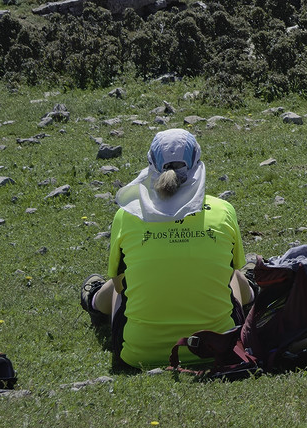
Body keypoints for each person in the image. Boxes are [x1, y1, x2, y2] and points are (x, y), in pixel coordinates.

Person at [80, 129, 250, 369]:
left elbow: (120, 287)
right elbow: (232, 270)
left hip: (138, 355)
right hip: (217, 349)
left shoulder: (127, 214)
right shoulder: (223, 211)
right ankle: (252, 291)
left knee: (123, 279)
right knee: (232, 273)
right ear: (197, 163)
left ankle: (95, 301)